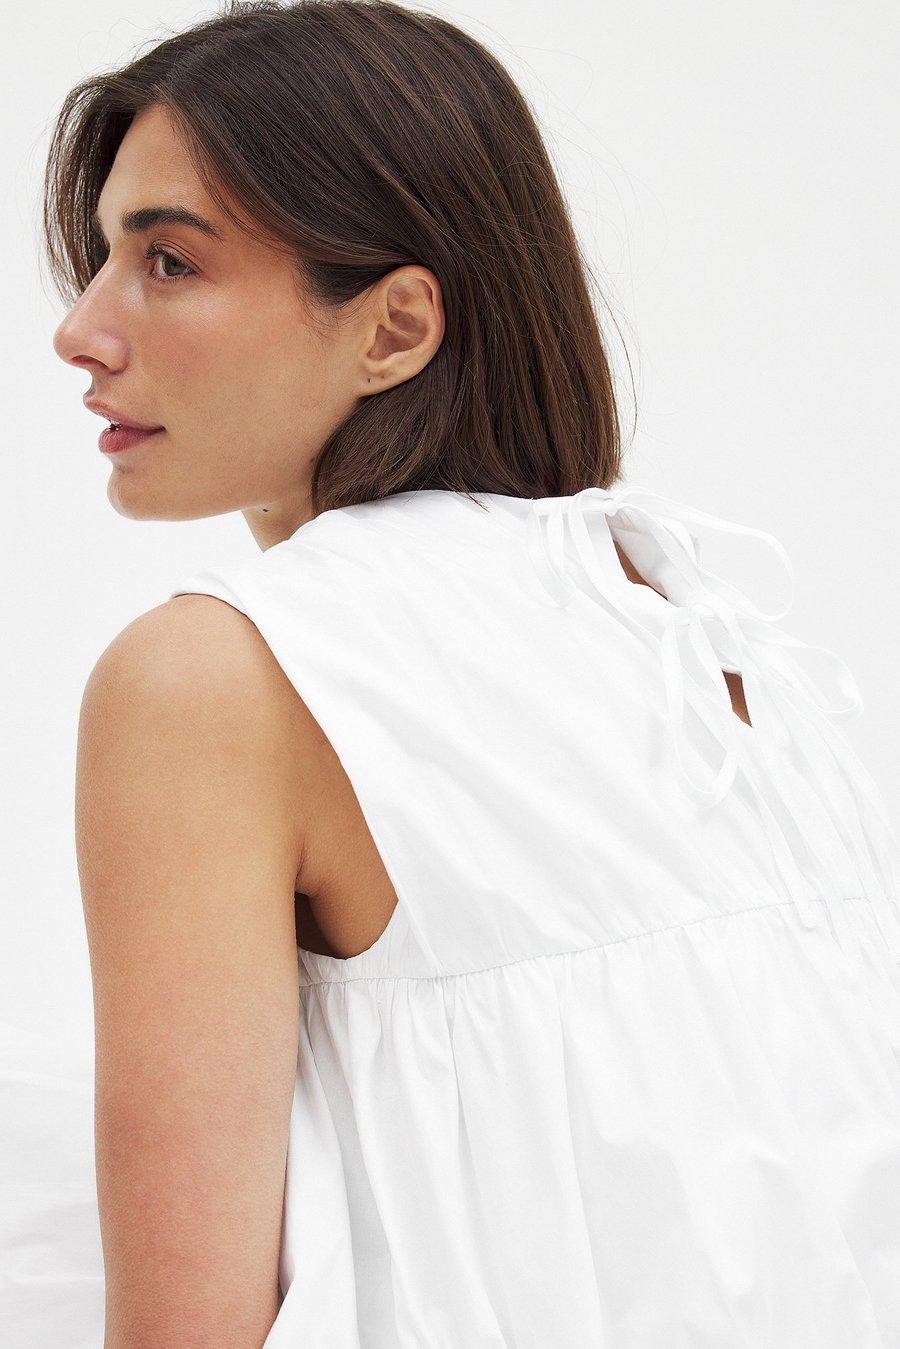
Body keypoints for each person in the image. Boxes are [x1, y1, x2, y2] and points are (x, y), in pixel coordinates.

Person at [45, 1, 900, 1344]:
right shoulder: (702, 629)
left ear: (394, 328)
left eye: (168, 261)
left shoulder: (210, 680)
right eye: (103, 258)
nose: (82, 330)